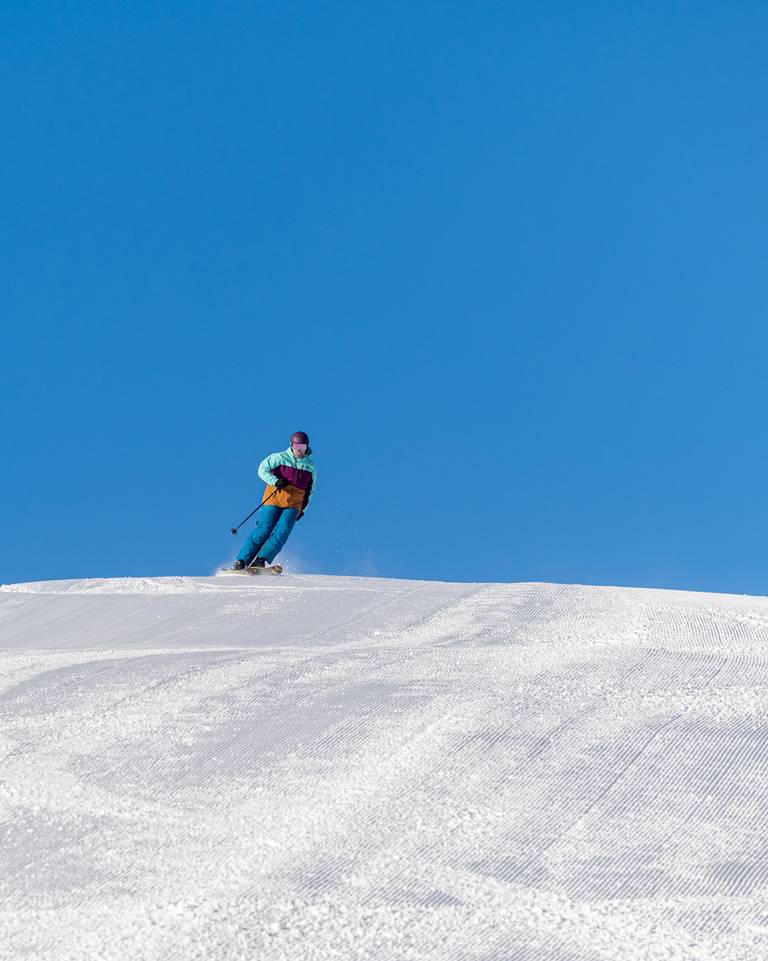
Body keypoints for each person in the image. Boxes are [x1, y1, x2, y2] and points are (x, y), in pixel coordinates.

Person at [233, 431, 317, 569]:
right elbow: (262, 469)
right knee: (264, 528)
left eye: (302, 447)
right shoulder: (279, 457)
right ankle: (242, 560)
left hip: (294, 504)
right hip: (274, 499)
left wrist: (303, 509)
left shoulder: (310, 466)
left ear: (307, 447)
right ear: (291, 445)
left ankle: (261, 560)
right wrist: (275, 481)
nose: (299, 450)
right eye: (297, 447)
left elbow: (311, 490)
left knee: (283, 531)